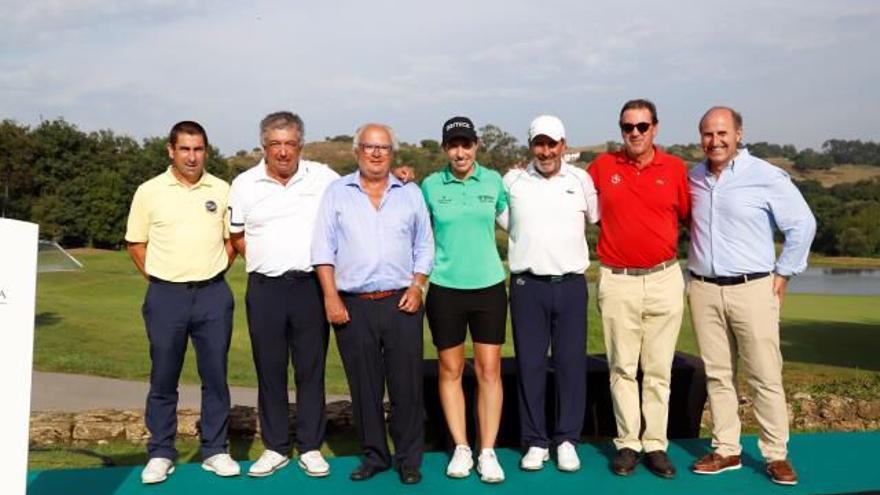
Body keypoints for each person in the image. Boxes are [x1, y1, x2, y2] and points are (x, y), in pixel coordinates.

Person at [688, 106, 816, 486]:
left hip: (753, 287)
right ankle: (727, 449)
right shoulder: (693, 177)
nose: (716, 141)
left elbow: (803, 224)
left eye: (723, 133)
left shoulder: (765, 176)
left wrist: (784, 272)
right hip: (703, 289)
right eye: (708, 134)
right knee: (718, 375)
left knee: (764, 374)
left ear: (739, 134)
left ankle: (776, 454)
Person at [311, 123, 434, 485]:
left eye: (383, 148)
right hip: (353, 304)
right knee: (364, 387)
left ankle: (409, 459)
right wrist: (330, 297)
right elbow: (322, 249)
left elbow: (425, 245)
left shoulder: (409, 193)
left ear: (392, 153)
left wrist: (418, 286)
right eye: (369, 147)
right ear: (357, 152)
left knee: (406, 386)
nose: (376, 153)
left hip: (402, 301)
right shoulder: (337, 193)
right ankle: (375, 456)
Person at [125, 121, 240, 484]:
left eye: (199, 149)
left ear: (206, 151)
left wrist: (212, 268)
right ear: (170, 150)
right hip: (165, 296)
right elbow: (136, 243)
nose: (192, 156)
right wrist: (162, 277)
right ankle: (161, 452)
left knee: (215, 377)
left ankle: (215, 450)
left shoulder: (222, 189)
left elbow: (231, 241)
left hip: (213, 294)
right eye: (185, 149)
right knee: (163, 377)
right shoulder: (149, 191)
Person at [227, 112, 339, 477]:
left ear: (300, 145)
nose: (283, 151)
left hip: (309, 287)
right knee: (270, 370)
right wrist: (266, 258)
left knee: (311, 370)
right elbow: (237, 236)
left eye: (290, 143)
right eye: (276, 144)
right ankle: (275, 446)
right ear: (264, 146)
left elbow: (360, 190)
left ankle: (309, 446)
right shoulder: (244, 184)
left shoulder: (323, 177)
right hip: (265, 290)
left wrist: (397, 177)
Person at [587, 99, 690, 479]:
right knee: (622, 368)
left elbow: (692, 219)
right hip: (617, 279)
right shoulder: (602, 167)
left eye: (642, 127)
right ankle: (629, 442)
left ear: (655, 128)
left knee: (659, 369)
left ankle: (656, 445)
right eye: (627, 127)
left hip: (664, 277)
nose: (634, 133)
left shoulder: (676, 169)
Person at [501, 115, 598, 473]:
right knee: (530, 364)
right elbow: (506, 222)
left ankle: (568, 438)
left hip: (571, 285)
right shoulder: (512, 181)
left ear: (563, 144)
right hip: (528, 286)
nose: (546, 150)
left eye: (552, 143)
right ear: (531, 146)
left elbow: (596, 216)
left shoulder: (580, 179)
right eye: (539, 143)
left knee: (572, 364)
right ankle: (535, 441)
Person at [420, 116, 508, 483]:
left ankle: (487, 451)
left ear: (476, 146)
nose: (460, 152)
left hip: (488, 286)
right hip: (445, 287)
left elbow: (514, 223)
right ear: (445, 149)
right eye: (453, 145)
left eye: (466, 144)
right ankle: (461, 447)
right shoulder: (429, 186)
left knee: (489, 370)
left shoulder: (494, 182)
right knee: (450, 370)